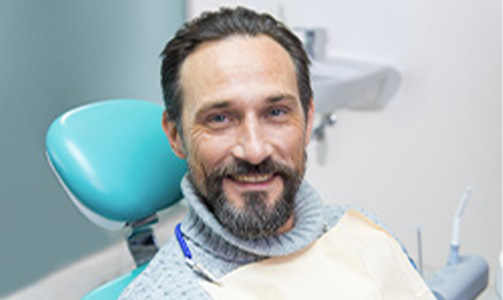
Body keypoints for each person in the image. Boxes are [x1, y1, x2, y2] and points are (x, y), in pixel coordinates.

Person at [119, 7, 410, 299]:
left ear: (308, 121)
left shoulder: (365, 235)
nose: (255, 150)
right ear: (175, 135)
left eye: (275, 112)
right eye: (220, 118)